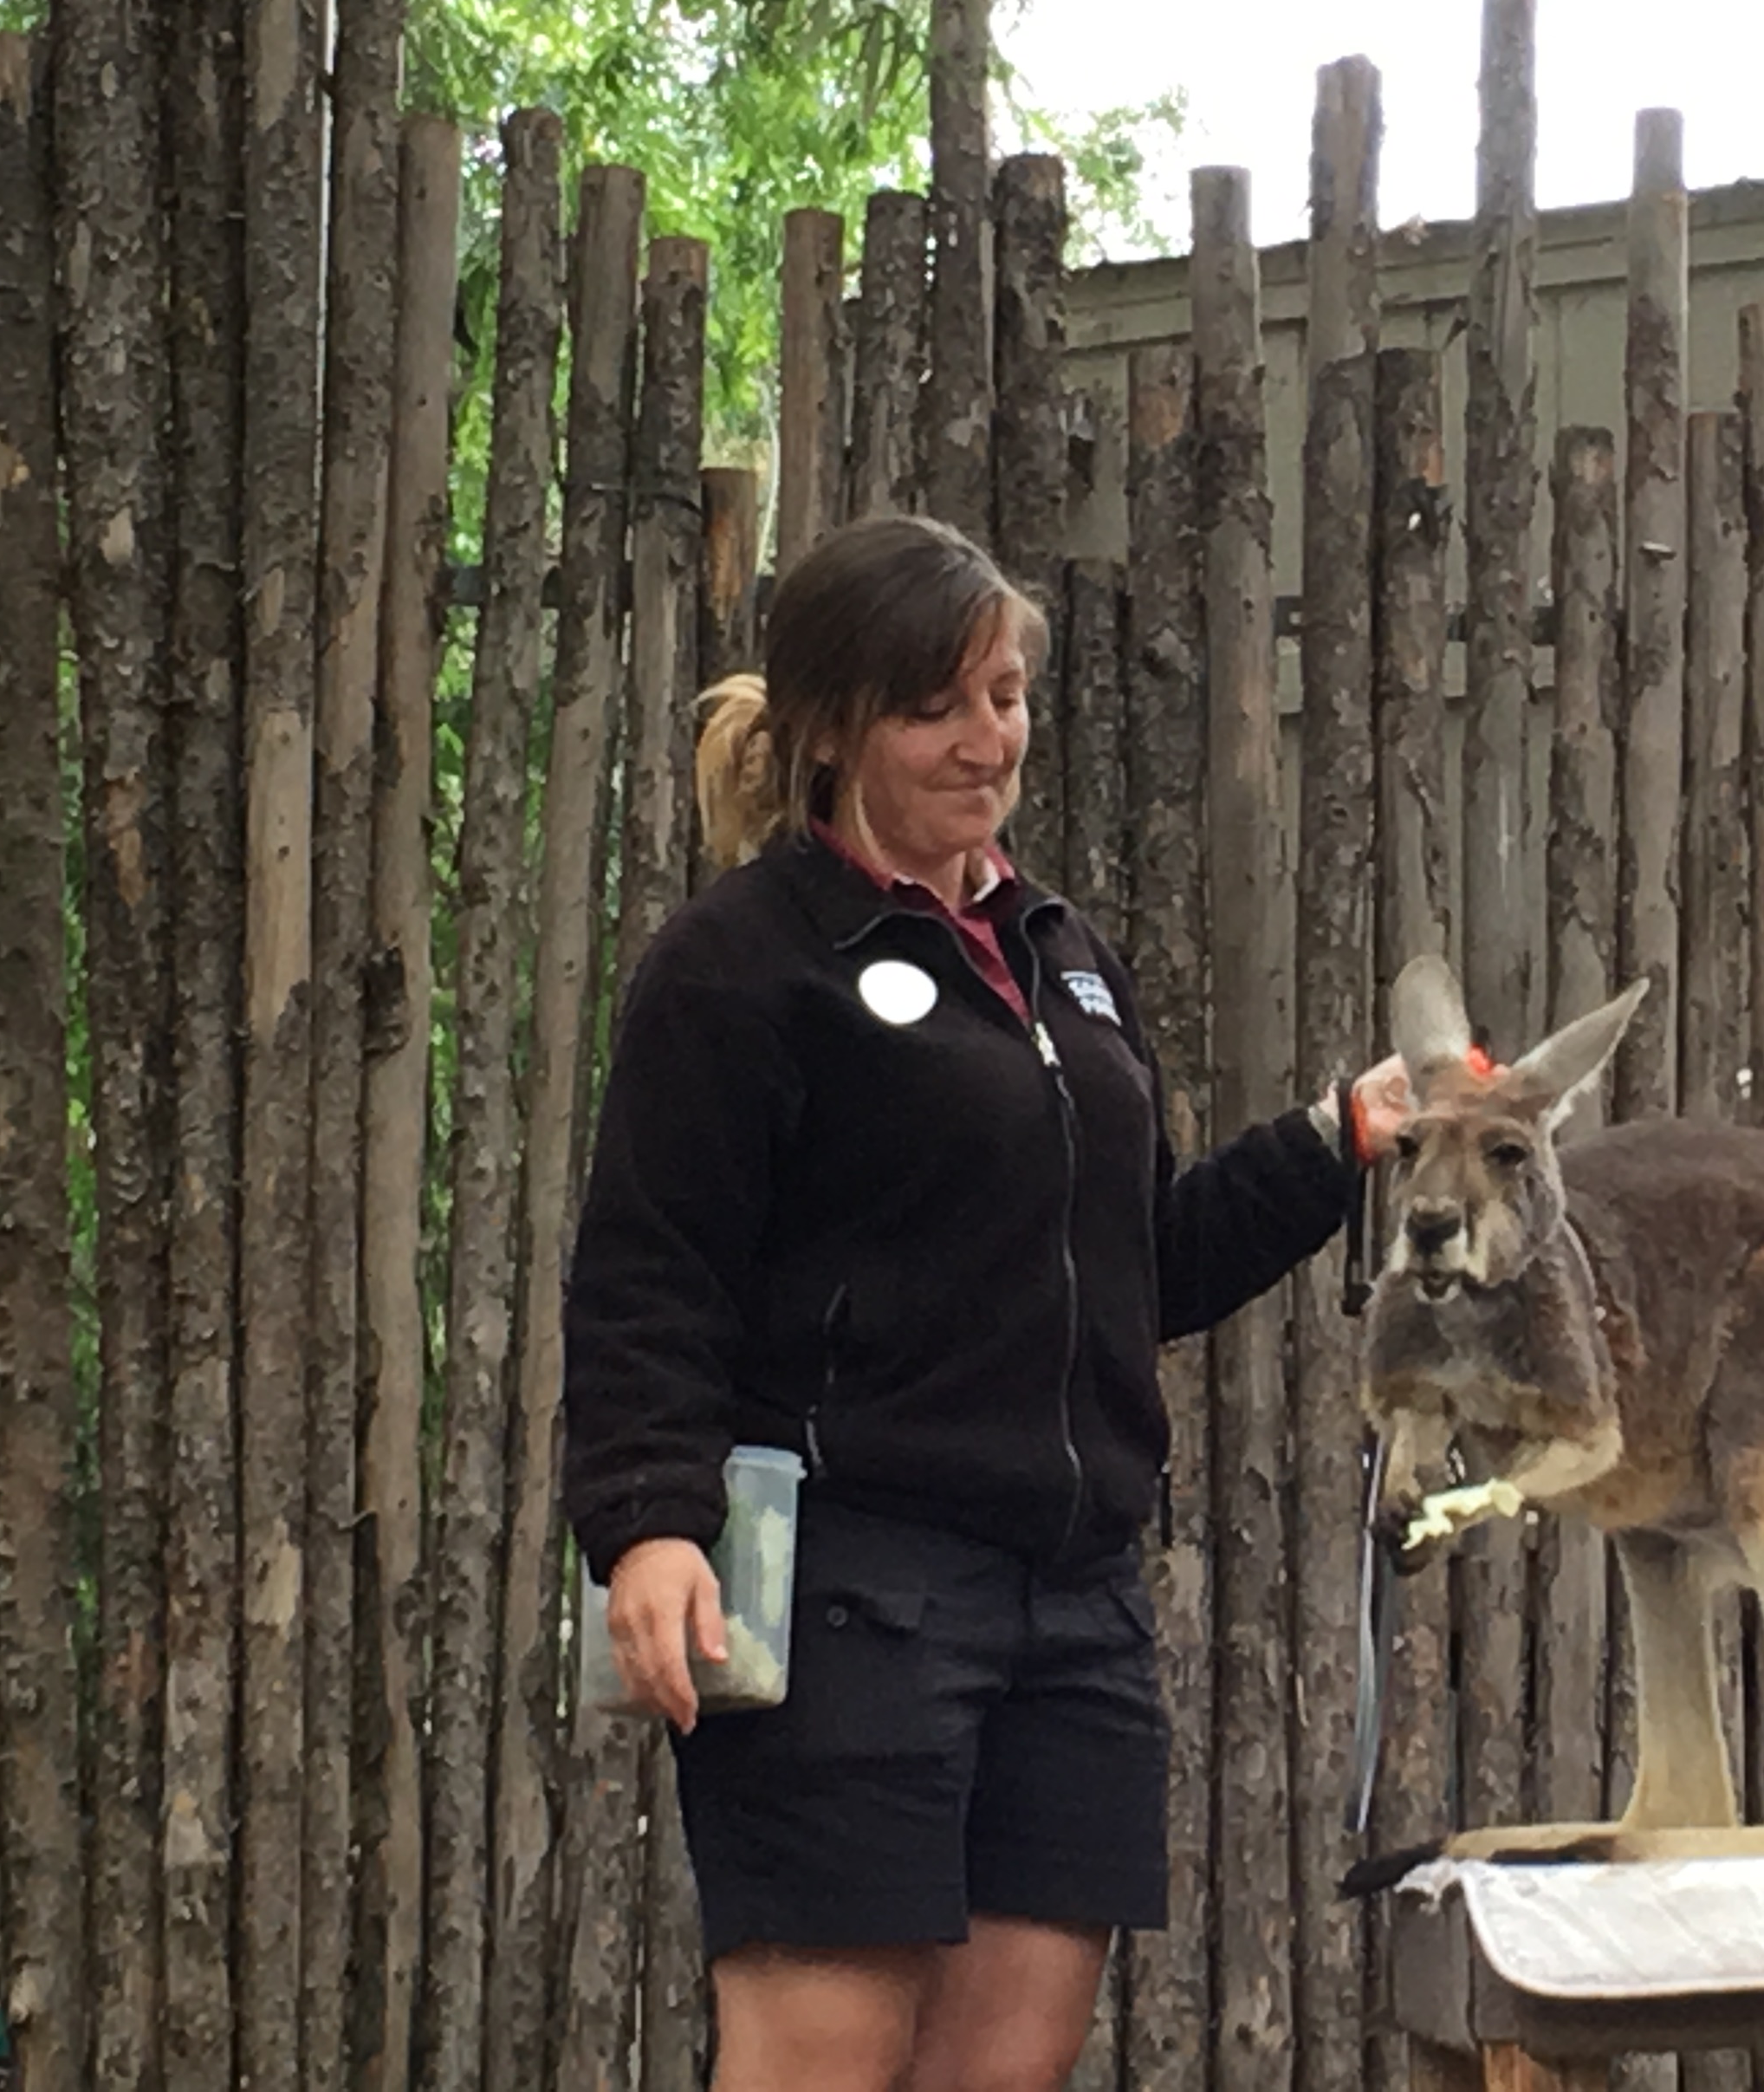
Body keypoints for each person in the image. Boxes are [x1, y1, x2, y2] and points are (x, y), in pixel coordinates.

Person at [564, 510, 1406, 2092]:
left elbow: (1132, 1264)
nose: (986, 740)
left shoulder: (1061, 956)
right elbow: (645, 1274)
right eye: (937, 707)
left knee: (1005, 2070)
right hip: (846, 1591)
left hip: (1073, 1606)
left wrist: (1335, 1144)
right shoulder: (742, 964)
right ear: (830, 725)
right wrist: (647, 1522)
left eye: (1006, 697)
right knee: (823, 2061)